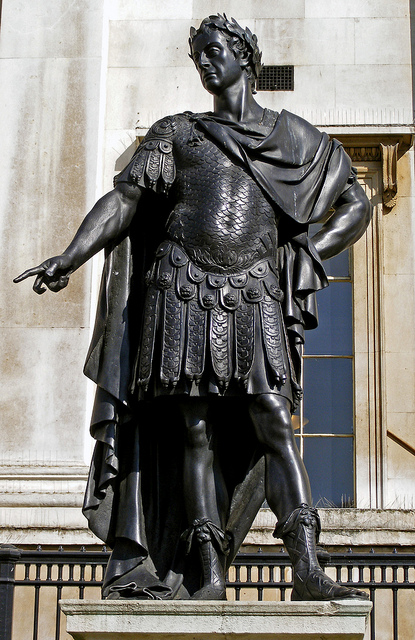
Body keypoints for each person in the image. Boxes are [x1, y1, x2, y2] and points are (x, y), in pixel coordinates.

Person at [15, 15, 372, 601]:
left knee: (274, 419)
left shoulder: (294, 138)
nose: (204, 63)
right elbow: (125, 200)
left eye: (213, 51)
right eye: (197, 55)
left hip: (255, 292)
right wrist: (70, 256)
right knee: (195, 431)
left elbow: (355, 203)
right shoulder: (177, 133)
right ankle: (209, 576)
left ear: (244, 56)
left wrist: (307, 252)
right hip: (183, 289)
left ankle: (307, 567)